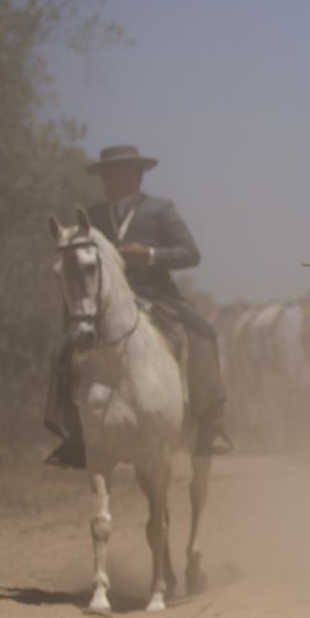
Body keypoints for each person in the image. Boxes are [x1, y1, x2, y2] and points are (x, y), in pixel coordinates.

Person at [45, 145, 229, 466]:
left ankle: (207, 425)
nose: (116, 178)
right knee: (63, 354)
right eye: (110, 173)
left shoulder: (160, 209)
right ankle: (73, 437)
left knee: (203, 335)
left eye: (124, 172)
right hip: (104, 305)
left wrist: (150, 255)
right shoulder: (93, 217)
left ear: (138, 175)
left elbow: (190, 253)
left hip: (155, 294)